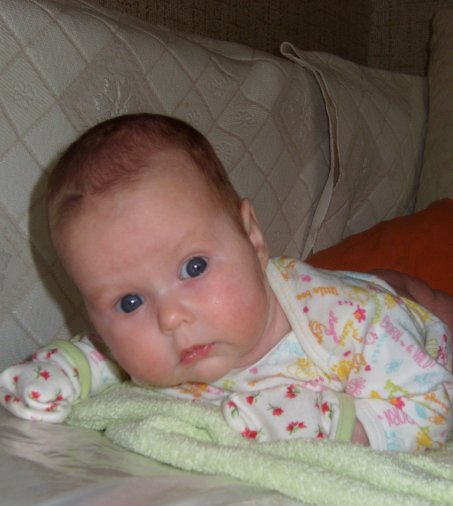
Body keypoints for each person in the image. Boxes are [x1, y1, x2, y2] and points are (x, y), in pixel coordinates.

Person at [1, 113, 452, 452]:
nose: (170, 317)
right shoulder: (152, 347)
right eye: (129, 301)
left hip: (398, 315)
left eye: (194, 268)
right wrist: (63, 371)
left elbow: (432, 408)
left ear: (252, 237)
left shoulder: (356, 324)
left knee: (419, 296)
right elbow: (105, 354)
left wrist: (336, 422)